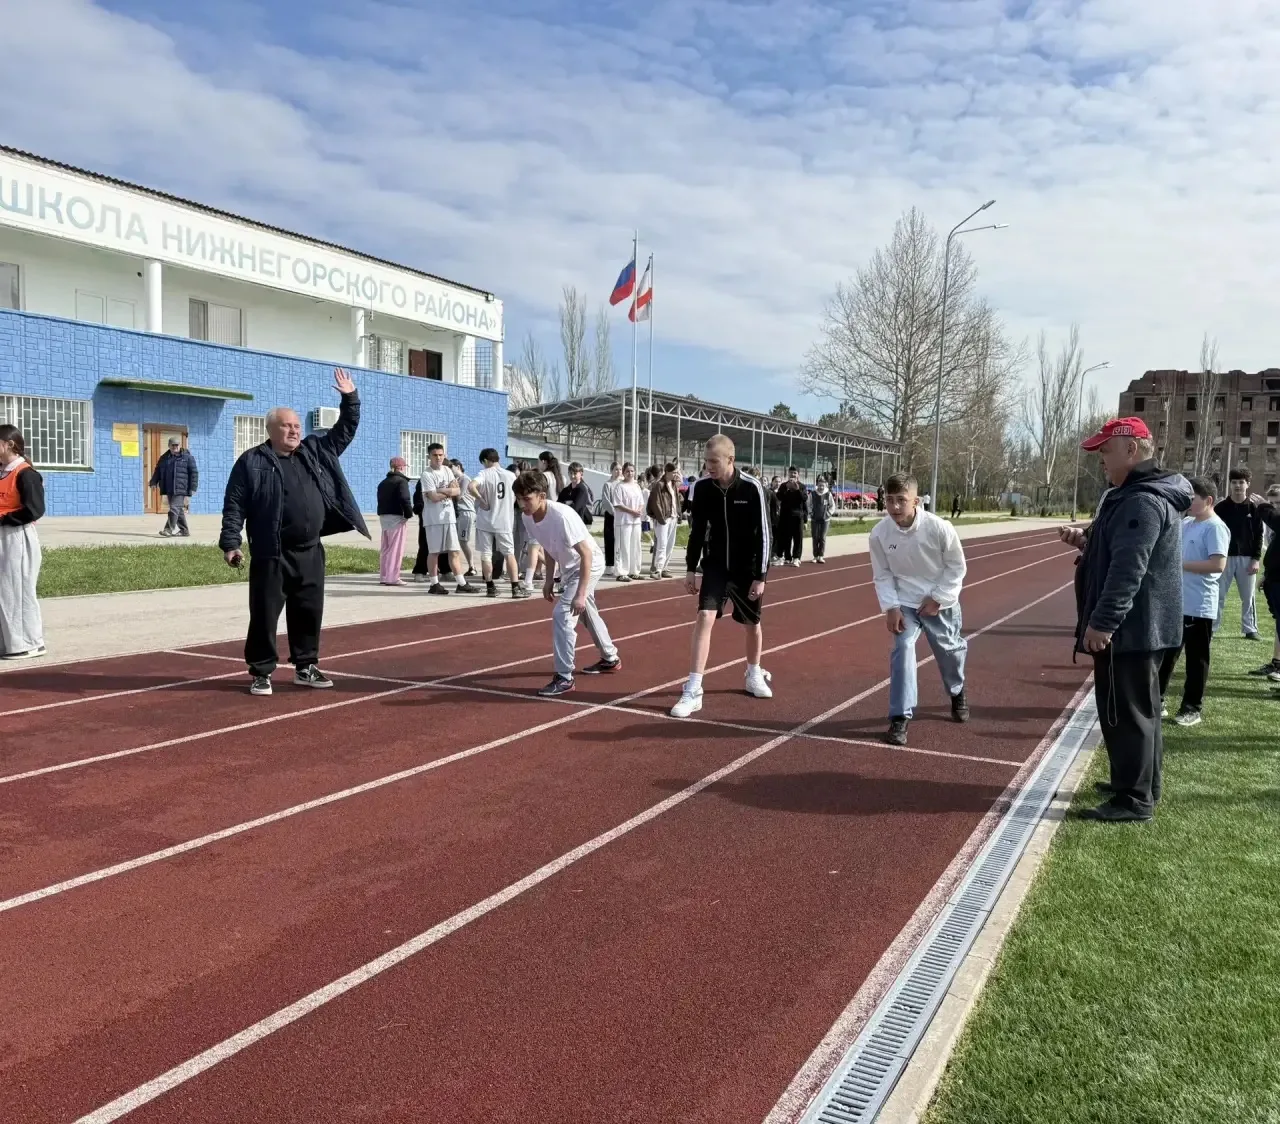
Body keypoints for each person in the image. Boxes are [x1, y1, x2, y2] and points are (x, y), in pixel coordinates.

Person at [1063, 417, 1191, 823]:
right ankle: (1140, 784)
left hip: (1134, 629)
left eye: (1105, 451)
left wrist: (1103, 623)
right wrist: (1086, 540)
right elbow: (1125, 551)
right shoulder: (1140, 495)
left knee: (1126, 714)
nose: (1100, 459)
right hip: (1146, 627)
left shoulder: (1141, 500)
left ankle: (1133, 799)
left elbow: (1129, 570)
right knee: (1143, 711)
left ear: (1131, 450)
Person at [220, 368, 369, 696]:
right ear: (271, 429)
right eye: (286, 426)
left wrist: (350, 398)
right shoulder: (251, 462)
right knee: (264, 615)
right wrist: (231, 543)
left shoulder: (315, 451)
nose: (293, 431)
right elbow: (234, 505)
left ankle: (306, 666)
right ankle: (261, 671)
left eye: (297, 426)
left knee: (309, 611)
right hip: (271, 553)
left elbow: (346, 429)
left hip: (310, 551)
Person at [671, 435, 772, 718]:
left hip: (747, 568)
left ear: (730, 459)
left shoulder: (752, 488)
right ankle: (693, 688)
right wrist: (691, 568)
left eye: (714, 462)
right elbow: (696, 531)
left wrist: (761, 575)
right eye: (706, 462)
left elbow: (765, 534)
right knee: (704, 617)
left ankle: (753, 673)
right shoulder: (701, 488)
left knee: (752, 623)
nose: (708, 467)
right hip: (715, 565)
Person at [869, 473, 969, 746]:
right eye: (889, 500)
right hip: (905, 604)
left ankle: (957, 690)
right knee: (903, 649)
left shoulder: (939, 528)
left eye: (901, 500)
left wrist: (938, 597)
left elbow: (957, 567)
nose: (895, 507)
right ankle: (900, 718)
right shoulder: (879, 533)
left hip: (939, 602)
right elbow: (883, 574)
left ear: (916, 500)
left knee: (950, 652)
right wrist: (891, 607)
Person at [513, 469, 621, 697]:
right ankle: (610, 658)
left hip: (589, 565)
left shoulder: (562, 516)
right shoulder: (528, 517)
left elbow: (586, 555)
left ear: (541, 496)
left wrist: (581, 593)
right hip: (569, 568)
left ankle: (564, 677)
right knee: (586, 613)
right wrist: (550, 580)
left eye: (527, 498)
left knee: (563, 614)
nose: (522, 504)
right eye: (519, 498)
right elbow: (549, 547)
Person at [1157, 477, 1229, 727]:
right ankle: (1158, 701)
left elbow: (1217, 564)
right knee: (1167, 655)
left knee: (1196, 660)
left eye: (1192, 498)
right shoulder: (1187, 523)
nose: (1188, 502)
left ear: (1208, 500)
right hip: (1177, 602)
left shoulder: (1215, 527)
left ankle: (1191, 707)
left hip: (1199, 604)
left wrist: (1179, 565)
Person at [0, 424, 46, 660]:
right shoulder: (3, 471)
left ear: (9, 445)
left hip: (17, 535)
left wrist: (5, 518)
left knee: (18, 590)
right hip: (4, 534)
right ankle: (9, 642)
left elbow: (34, 509)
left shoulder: (26, 474)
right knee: (4, 591)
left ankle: (29, 642)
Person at [417, 444, 478, 597]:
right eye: (435, 455)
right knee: (434, 552)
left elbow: (457, 491)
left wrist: (441, 491)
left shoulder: (448, 470)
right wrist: (447, 492)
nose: (438, 458)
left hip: (449, 517)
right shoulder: (427, 474)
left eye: (441, 455)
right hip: (434, 519)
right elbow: (432, 497)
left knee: (454, 551)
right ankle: (434, 583)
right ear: (429, 457)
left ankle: (461, 583)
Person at [1213, 467, 1264, 640]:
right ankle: (1212, 627)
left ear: (1247, 484)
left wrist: (1256, 559)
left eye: (1241, 482)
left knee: (1248, 597)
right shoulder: (1220, 508)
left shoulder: (1254, 508)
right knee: (1217, 595)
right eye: (1234, 482)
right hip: (1223, 558)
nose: (1237, 486)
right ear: (1230, 484)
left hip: (1247, 559)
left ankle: (1250, 628)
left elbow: (1259, 535)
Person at [470, 449, 526, 599]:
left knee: (486, 554)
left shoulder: (484, 474)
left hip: (485, 521)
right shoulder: (511, 475)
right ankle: (515, 587)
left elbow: (471, 486)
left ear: (485, 461)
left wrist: (481, 500)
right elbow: (519, 494)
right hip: (504, 521)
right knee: (509, 553)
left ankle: (490, 587)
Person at [1247, 485, 1280, 686]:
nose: (1274, 507)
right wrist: (1268, 575)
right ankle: (1277, 663)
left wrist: (1264, 507)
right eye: (1272, 503)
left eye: (1278, 503)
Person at [148, 436, 198, 537]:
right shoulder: (164, 458)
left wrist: (193, 487)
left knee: (174, 508)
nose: (175, 447)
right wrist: (153, 482)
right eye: (173, 445)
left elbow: (194, 473)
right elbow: (157, 470)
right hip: (169, 488)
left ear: (180, 445)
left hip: (181, 488)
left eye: (177, 445)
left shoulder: (187, 457)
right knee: (178, 509)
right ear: (169, 446)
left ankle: (168, 530)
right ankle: (184, 531)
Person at [375, 456, 414, 586]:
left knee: (386, 547)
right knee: (395, 548)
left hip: (384, 516)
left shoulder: (383, 482)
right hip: (397, 517)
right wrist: (408, 514)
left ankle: (384, 576)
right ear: (401, 467)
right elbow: (405, 499)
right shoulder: (401, 481)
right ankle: (392, 577)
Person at [612, 463, 646, 581]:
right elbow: (618, 504)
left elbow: (641, 502)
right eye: (627, 471)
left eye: (632, 471)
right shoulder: (619, 487)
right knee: (623, 546)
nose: (630, 473)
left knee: (635, 546)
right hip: (623, 521)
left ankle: (634, 571)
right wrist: (632, 511)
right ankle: (621, 572)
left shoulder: (636, 486)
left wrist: (638, 511)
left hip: (635, 521)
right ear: (624, 473)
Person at [647, 463, 679, 578]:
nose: (676, 474)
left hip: (673, 517)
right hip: (664, 518)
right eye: (674, 472)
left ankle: (664, 567)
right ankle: (657, 569)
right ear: (668, 472)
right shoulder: (659, 485)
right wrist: (661, 518)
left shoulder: (673, 484)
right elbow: (656, 503)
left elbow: (675, 500)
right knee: (662, 544)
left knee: (670, 544)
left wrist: (678, 514)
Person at [451, 459, 477, 578]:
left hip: (466, 512)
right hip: (458, 512)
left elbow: (459, 495)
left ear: (458, 466)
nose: (450, 470)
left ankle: (472, 566)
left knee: (463, 541)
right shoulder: (455, 480)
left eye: (451, 467)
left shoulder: (465, 478)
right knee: (458, 542)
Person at [776, 466, 808, 566]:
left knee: (798, 538)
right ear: (788, 474)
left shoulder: (802, 486)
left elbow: (804, 499)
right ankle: (787, 557)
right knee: (786, 538)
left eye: (795, 473)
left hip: (798, 516)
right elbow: (779, 497)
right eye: (791, 473)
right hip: (785, 516)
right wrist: (787, 488)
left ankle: (796, 557)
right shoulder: (783, 486)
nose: (792, 475)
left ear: (798, 474)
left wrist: (797, 489)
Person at [600, 463, 621, 578]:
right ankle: (609, 565)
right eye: (616, 469)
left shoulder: (622, 484)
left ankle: (619, 564)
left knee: (620, 541)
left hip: (622, 516)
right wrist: (614, 511)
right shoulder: (607, 485)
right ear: (611, 471)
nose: (618, 472)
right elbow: (605, 501)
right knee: (609, 540)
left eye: (620, 469)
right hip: (611, 516)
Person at [809, 475, 834, 563]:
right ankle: (815, 556)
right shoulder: (812, 494)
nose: (821, 487)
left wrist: (828, 513)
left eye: (823, 485)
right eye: (819, 485)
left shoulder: (828, 494)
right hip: (815, 519)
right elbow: (808, 505)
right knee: (815, 537)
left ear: (825, 485)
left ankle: (821, 556)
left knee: (822, 537)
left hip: (825, 520)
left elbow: (832, 506)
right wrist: (811, 513)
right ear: (817, 485)